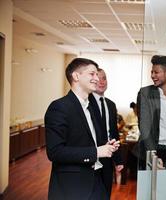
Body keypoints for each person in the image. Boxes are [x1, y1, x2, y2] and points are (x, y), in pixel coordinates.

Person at [45, 58, 120, 200]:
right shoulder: (59, 107)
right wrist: (96, 151)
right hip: (73, 186)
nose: (97, 79)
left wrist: (106, 146)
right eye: (92, 74)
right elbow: (55, 152)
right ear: (76, 76)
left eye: (97, 75)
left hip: (97, 180)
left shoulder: (90, 108)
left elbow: (87, 140)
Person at [137, 55, 166, 169]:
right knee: (151, 186)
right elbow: (144, 125)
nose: (152, 75)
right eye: (152, 72)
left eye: (156, 72)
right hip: (152, 149)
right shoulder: (145, 93)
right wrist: (152, 154)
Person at [88, 68, 123, 197]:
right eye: (98, 78)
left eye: (104, 78)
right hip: (92, 157)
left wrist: (118, 160)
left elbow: (114, 132)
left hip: (108, 158)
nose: (101, 82)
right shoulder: (86, 103)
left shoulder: (111, 105)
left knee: (106, 193)